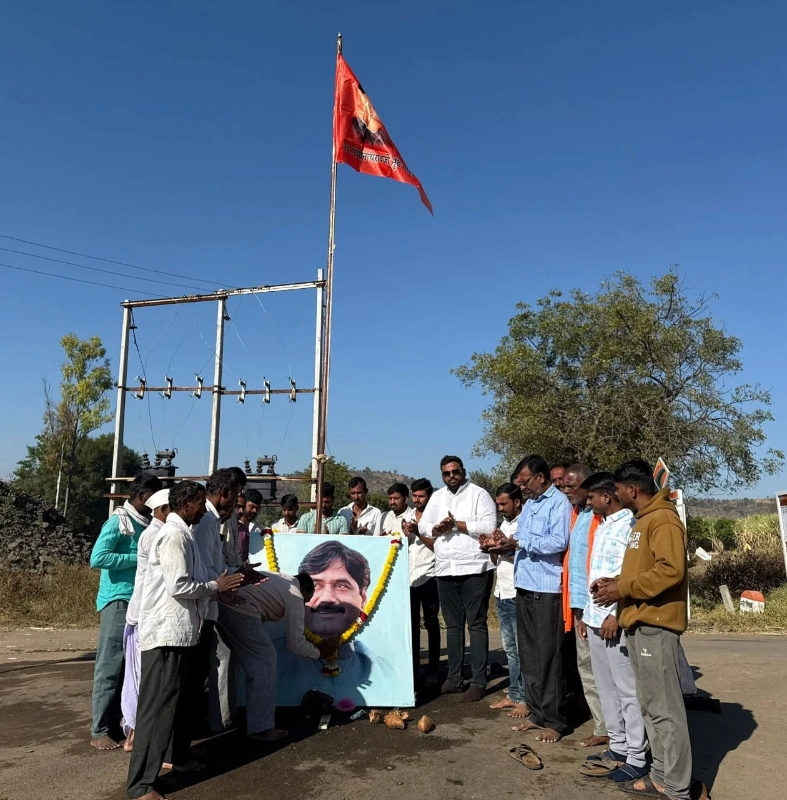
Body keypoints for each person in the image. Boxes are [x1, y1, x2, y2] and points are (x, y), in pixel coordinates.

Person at [128, 481, 244, 800]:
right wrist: (214, 587)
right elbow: (179, 586)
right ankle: (140, 785)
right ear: (185, 504)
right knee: (156, 709)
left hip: (177, 634)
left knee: (166, 706)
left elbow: (191, 582)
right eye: (200, 503)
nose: (203, 509)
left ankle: (148, 778)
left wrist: (216, 589)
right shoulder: (174, 535)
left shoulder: (183, 534)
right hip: (165, 634)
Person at [593, 459, 697, 800]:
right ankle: (660, 776)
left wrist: (623, 588)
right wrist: (615, 582)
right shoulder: (643, 520)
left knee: (666, 710)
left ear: (631, 489)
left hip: (657, 625)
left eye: (617, 489)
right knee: (651, 706)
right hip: (639, 622)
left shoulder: (663, 519)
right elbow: (645, 571)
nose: (616, 495)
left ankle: (677, 788)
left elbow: (671, 571)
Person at [578, 472, 647, 783]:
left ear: (606, 497)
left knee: (626, 689)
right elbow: (596, 572)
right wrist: (586, 614)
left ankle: (637, 755)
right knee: (606, 687)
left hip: (614, 620)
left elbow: (629, 575)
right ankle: (618, 746)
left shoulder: (629, 526)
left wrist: (615, 615)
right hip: (595, 618)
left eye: (591, 497)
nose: (588, 503)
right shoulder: (603, 525)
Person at [89, 472, 162, 751]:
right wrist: (137, 558)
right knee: (109, 667)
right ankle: (99, 730)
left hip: (139, 602)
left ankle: (121, 722)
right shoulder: (118, 522)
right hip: (118, 600)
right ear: (141, 496)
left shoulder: (148, 523)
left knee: (129, 669)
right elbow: (98, 557)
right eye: (153, 498)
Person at [217, 571, 330, 742]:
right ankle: (260, 728)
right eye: (307, 599)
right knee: (265, 663)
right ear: (306, 589)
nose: (305, 604)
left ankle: (222, 721)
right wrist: (319, 653)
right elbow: (296, 644)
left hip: (221, 604)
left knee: (227, 662)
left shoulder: (281, 579)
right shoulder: (295, 595)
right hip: (240, 608)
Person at [419, 456, 496, 702]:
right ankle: (454, 679)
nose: (451, 476)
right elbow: (423, 525)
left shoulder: (479, 494)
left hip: (475, 567)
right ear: (442, 475)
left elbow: (489, 526)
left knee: (476, 624)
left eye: (455, 471)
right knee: (453, 626)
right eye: (446, 473)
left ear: (463, 471)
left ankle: (479, 681)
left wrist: (457, 525)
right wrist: (436, 529)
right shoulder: (437, 497)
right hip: (445, 568)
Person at [276, 539, 393, 698]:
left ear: (363, 598)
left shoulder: (386, 674)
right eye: (315, 586)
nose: (327, 598)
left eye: (341, 586)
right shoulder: (272, 660)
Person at [510, 455, 571, 743]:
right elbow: (520, 538)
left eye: (525, 481)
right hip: (524, 586)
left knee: (549, 658)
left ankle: (555, 720)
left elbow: (559, 541)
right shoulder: (530, 505)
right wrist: (503, 545)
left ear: (541, 477)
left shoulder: (559, 503)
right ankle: (536, 712)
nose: (522, 487)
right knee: (530, 656)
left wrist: (520, 542)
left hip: (546, 590)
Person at [561, 464, 608, 748]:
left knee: (603, 669)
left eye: (571, 486)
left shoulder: (600, 518)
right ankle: (603, 724)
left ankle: (611, 728)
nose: (566, 490)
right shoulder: (577, 515)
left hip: (598, 604)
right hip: (580, 604)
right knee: (587, 667)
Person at [121, 488, 170, 753]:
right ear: (163, 510)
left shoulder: (156, 532)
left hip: (145, 614)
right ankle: (135, 736)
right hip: (144, 616)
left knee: (143, 678)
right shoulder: (155, 535)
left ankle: (138, 735)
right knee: (144, 679)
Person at [387, 481, 440, 685]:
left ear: (429, 497)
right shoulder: (407, 518)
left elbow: (438, 547)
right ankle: (414, 669)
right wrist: (406, 536)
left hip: (430, 575)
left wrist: (418, 533)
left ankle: (434, 670)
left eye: (421, 496)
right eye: (415, 496)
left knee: (431, 623)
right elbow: (402, 547)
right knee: (412, 625)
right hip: (409, 578)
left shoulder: (435, 518)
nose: (417, 500)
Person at [484, 483, 527, 718]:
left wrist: (504, 549)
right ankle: (513, 692)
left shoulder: (524, 523)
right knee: (510, 649)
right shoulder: (504, 524)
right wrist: (491, 548)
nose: (500, 508)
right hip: (502, 591)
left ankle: (525, 698)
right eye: (498, 504)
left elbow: (524, 556)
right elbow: (498, 560)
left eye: (504, 503)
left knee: (521, 649)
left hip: (517, 592)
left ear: (517, 502)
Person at [237, 488, 263, 564]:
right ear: (244, 504)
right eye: (252, 507)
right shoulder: (232, 524)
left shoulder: (259, 529)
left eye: (257, 508)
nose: (254, 511)